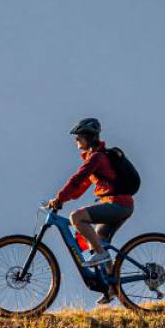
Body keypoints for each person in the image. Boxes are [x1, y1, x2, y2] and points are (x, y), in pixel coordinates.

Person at [46, 118, 135, 302]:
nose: (76, 140)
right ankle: (113, 288)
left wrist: (59, 198)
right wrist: (63, 199)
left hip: (117, 204)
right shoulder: (95, 157)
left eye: (78, 136)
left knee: (76, 217)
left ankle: (102, 256)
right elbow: (80, 187)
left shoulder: (97, 157)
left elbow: (77, 179)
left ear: (87, 137)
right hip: (121, 204)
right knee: (99, 241)